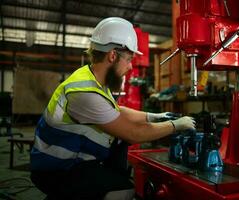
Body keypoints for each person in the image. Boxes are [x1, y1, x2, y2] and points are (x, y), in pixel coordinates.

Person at [30, 17, 195, 200]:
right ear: (113, 55)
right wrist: (176, 125)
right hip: (57, 169)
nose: (131, 66)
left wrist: (153, 116)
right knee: (124, 190)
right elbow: (133, 133)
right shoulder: (85, 93)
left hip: (71, 161)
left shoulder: (93, 79)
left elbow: (116, 111)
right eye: (129, 59)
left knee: (116, 171)